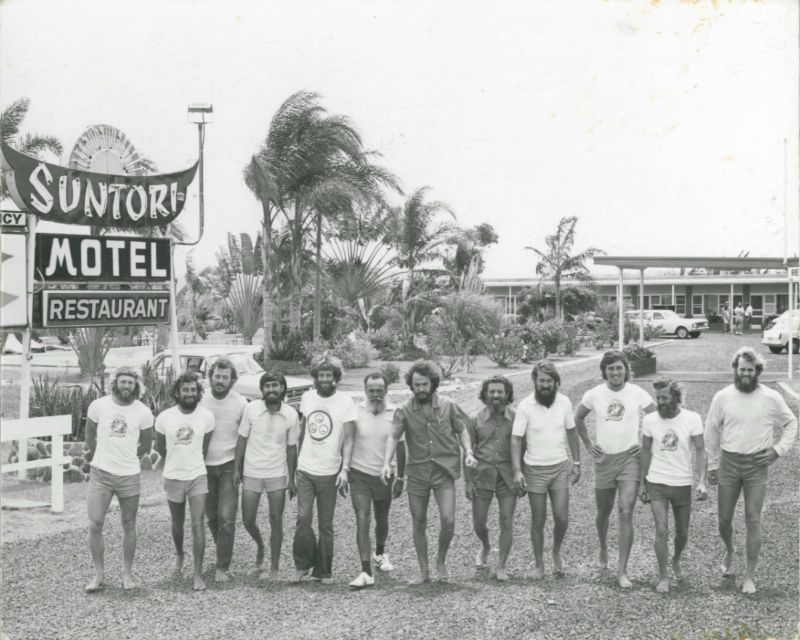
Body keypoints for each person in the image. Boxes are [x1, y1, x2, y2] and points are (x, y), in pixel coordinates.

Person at [705, 347, 797, 594]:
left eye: (750, 370)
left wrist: (778, 450)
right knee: (724, 520)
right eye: (741, 369)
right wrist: (712, 464)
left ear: (758, 370)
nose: (745, 374)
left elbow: (791, 423)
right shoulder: (722, 397)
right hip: (729, 463)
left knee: (753, 519)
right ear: (735, 370)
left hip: (757, 465)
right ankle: (730, 549)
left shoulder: (771, 397)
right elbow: (711, 431)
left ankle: (749, 575)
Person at [382, 360, 477, 584]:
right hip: (417, 473)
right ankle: (423, 570)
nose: (421, 389)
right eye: (417, 385)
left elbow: (463, 430)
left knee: (448, 519)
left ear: (432, 383)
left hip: (443, 472)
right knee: (419, 520)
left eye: (425, 384)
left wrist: (469, 451)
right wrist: (387, 462)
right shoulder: (404, 410)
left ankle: (441, 561)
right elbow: (393, 437)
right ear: (411, 386)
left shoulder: (448, 405)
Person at [575, 350, 656, 588]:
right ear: (604, 371)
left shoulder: (637, 393)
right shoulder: (595, 394)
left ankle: (622, 570)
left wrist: (644, 444)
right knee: (603, 513)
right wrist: (589, 446)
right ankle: (602, 547)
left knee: (626, 511)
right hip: (604, 461)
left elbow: (657, 416)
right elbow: (578, 418)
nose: (615, 372)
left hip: (630, 460)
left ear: (626, 370)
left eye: (619, 368)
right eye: (610, 368)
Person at [84, 366, 154, 592]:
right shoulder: (99, 405)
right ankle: (99, 575)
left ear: (136, 387)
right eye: (122, 382)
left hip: (129, 475)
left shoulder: (143, 412)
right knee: (95, 523)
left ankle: (127, 574)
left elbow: (146, 444)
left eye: (130, 383)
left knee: (129, 524)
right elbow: (89, 433)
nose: (126, 386)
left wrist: (128, 457)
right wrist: (99, 455)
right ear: (115, 383)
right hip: (100, 474)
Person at [511, 361, 580, 579]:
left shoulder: (564, 402)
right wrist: (517, 470)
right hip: (534, 470)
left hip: (559, 467)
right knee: (538, 520)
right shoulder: (525, 406)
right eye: (541, 380)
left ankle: (556, 551)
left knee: (562, 518)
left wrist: (576, 462)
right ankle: (539, 564)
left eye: (550, 381)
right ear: (534, 381)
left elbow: (571, 431)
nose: (546, 385)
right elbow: (515, 439)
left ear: (556, 382)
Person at [639, 377, 708, 593]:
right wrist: (643, 483)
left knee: (682, 532)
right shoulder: (649, 420)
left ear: (676, 397)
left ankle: (676, 558)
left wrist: (702, 480)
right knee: (661, 529)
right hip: (656, 481)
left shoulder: (693, 418)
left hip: (682, 483)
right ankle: (663, 576)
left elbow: (700, 449)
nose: (661, 402)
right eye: (658, 398)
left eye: (665, 397)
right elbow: (645, 451)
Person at [292, 353, 356, 584]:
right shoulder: (308, 398)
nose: (325, 378)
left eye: (329, 375)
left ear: (335, 377)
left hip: (330, 472)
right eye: (321, 374)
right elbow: (303, 430)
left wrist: (344, 469)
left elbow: (349, 440)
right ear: (316, 377)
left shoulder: (345, 402)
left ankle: (324, 570)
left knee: (325, 525)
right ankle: (302, 564)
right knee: (303, 518)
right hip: (306, 469)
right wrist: (295, 464)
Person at [345, 372, 407, 589]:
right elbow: (348, 440)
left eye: (379, 390)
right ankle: (365, 571)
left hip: (384, 476)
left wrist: (400, 476)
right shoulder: (356, 410)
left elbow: (400, 445)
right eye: (371, 390)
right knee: (363, 518)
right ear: (365, 390)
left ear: (386, 390)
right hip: (359, 474)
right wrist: (343, 470)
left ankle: (380, 553)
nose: (376, 394)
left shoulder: (396, 413)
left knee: (382, 518)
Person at [235, 370, 299, 580]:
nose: (272, 389)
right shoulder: (252, 409)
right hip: (252, 471)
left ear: (282, 389)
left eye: (276, 385)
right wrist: (237, 469)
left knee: (276, 520)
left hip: (277, 473)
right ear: (262, 390)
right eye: (268, 386)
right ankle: (260, 545)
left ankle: (275, 565)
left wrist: (292, 479)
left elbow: (291, 449)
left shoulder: (290, 414)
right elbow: (242, 440)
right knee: (247, 519)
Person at [155, 371, 215, 591]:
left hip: (197, 476)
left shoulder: (207, 417)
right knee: (177, 523)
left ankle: (197, 573)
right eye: (185, 390)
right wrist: (175, 462)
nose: (189, 394)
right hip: (173, 476)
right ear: (177, 393)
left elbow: (204, 448)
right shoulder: (164, 418)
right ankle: (180, 554)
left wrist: (193, 463)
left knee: (198, 522)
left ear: (198, 393)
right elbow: (161, 448)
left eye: (193, 390)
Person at [200, 358, 247, 583]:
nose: (220, 381)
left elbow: (243, 438)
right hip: (203, 467)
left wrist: (239, 467)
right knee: (212, 517)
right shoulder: (201, 398)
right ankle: (223, 549)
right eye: (217, 376)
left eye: (225, 377)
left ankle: (222, 566)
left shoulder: (240, 403)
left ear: (232, 380)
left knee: (226, 517)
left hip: (229, 466)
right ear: (211, 377)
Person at [466, 375, 518, 581]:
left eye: (500, 392)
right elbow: (468, 451)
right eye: (492, 392)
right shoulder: (474, 419)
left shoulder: (516, 418)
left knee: (507, 520)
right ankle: (486, 545)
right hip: (482, 475)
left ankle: (501, 566)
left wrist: (521, 474)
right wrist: (468, 482)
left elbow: (522, 449)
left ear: (507, 395)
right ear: (485, 394)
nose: (496, 395)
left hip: (508, 476)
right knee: (479, 522)